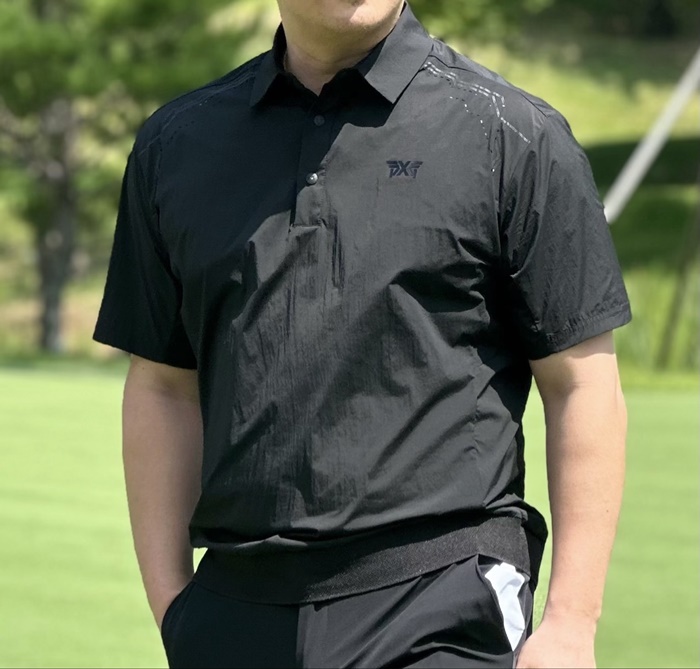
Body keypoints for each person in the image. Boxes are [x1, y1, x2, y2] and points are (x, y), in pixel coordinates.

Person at [93, 1, 631, 667]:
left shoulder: (513, 135)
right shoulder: (176, 144)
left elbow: (582, 383)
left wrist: (572, 621)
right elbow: (163, 385)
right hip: (234, 607)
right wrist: (176, 609)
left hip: (440, 599)